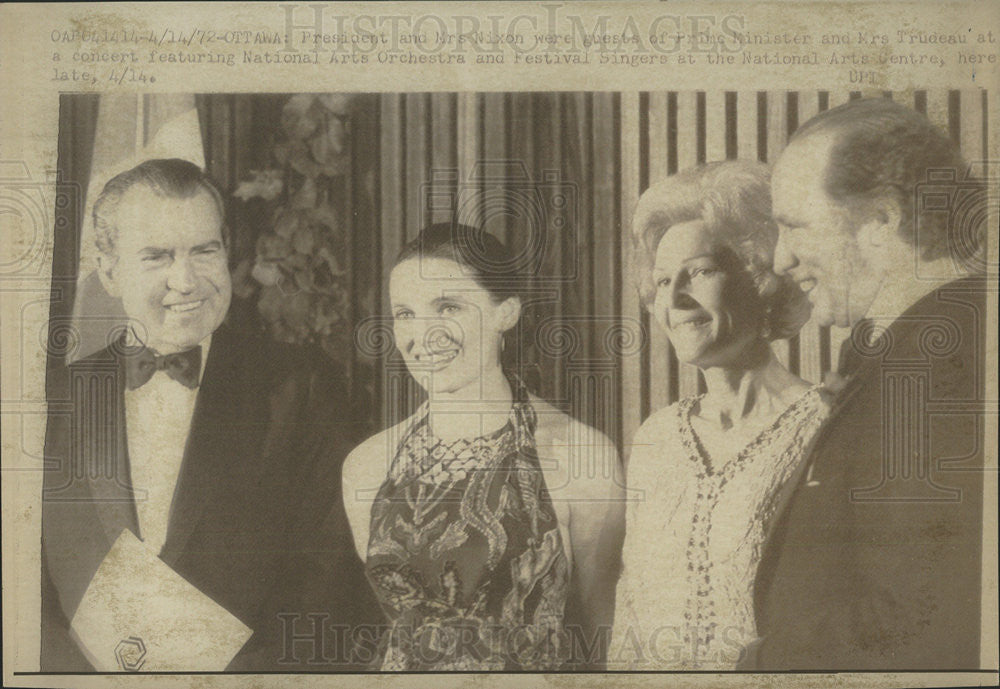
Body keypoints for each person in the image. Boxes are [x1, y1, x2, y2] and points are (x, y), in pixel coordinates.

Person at [41, 158, 377, 671]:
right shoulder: (49, 399)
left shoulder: (301, 388)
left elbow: (330, 591)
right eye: (156, 256)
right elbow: (19, 592)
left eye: (204, 250)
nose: (186, 280)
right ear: (109, 272)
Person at [751, 97, 987, 669]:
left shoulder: (936, 368)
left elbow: (917, 628)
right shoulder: (919, 346)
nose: (780, 260)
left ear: (882, 221)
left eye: (795, 226)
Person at [342, 223, 626, 670]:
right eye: (405, 314)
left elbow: (600, 638)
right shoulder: (367, 465)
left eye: (448, 307)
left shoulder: (580, 453)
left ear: (506, 312)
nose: (422, 336)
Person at [610, 160, 830, 669]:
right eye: (663, 281)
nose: (675, 299)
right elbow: (630, 617)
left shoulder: (825, 424)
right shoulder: (656, 438)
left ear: (761, 277)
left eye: (701, 271)